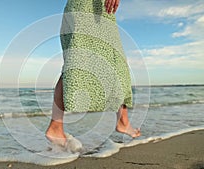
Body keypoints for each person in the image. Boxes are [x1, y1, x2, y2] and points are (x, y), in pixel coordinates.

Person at [46, 0, 141, 146]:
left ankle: (56, 126)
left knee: (104, 62)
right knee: (80, 63)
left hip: (92, 8)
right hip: (87, 7)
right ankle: (56, 127)